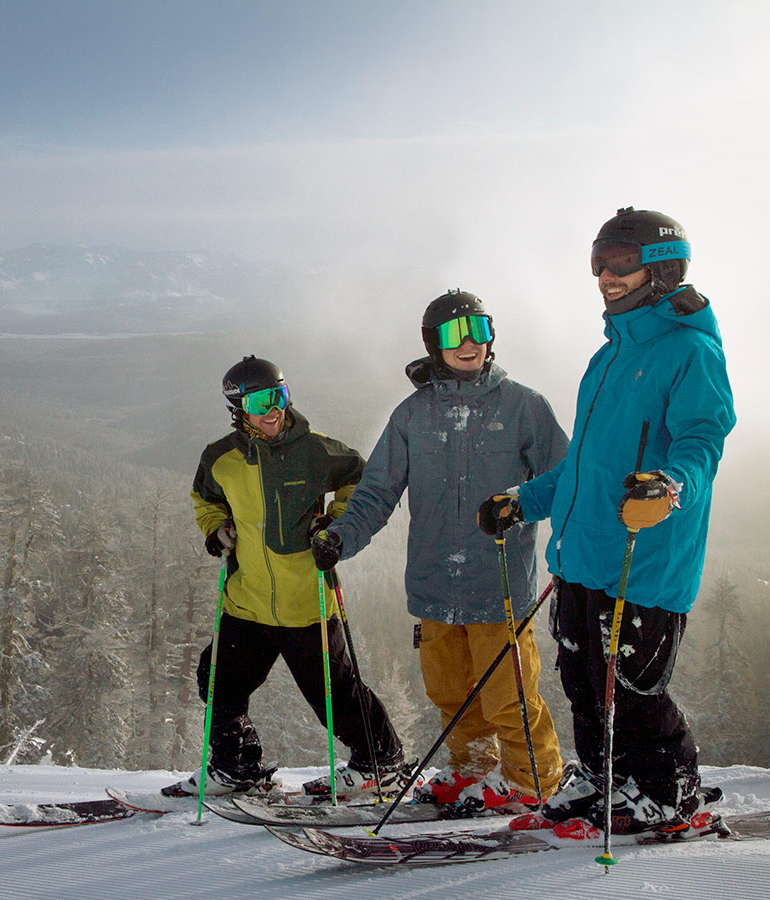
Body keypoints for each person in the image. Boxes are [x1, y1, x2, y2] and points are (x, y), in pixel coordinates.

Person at [479, 207, 736, 836]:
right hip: (582, 554)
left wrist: (671, 486)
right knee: (582, 680)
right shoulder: (607, 356)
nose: (605, 275)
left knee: (633, 689)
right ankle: (604, 778)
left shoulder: (690, 351)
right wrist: (527, 500)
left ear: (662, 265)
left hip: (642, 556)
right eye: (598, 260)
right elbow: (585, 468)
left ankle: (671, 792)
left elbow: (704, 438)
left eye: (620, 261)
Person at [312, 291, 568, 812]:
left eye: (478, 328)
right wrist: (342, 537)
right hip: (433, 587)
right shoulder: (412, 416)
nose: (469, 341)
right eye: (455, 333)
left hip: (500, 586)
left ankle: (530, 780)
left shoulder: (524, 406)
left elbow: (566, 482)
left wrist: (568, 549)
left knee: (510, 698)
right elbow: (379, 491)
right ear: (434, 345)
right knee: (451, 693)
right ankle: (473, 768)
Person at [168, 355, 411, 799]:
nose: (273, 408)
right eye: (261, 400)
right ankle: (236, 766)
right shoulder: (219, 458)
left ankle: (381, 762)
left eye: (278, 395)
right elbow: (205, 498)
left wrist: (334, 524)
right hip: (248, 600)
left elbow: (361, 477)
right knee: (218, 679)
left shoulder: (316, 451)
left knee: (333, 694)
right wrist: (216, 529)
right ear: (238, 407)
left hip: (307, 602)